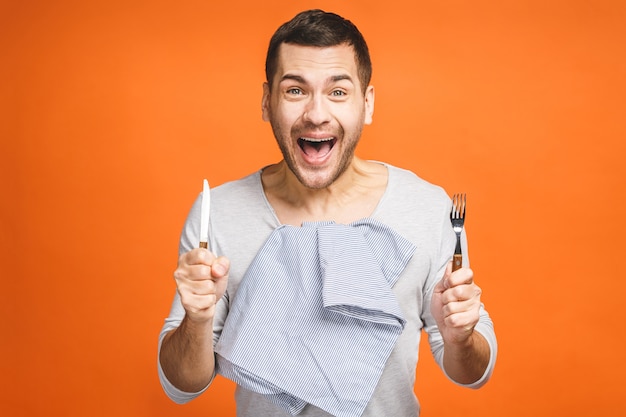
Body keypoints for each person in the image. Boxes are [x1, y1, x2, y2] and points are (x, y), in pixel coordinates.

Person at [158, 9, 497, 417]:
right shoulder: (219, 213)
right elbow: (182, 387)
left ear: (367, 104)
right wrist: (195, 321)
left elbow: (472, 373)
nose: (317, 114)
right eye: (295, 91)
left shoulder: (426, 207)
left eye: (338, 92)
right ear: (267, 102)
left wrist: (460, 339)